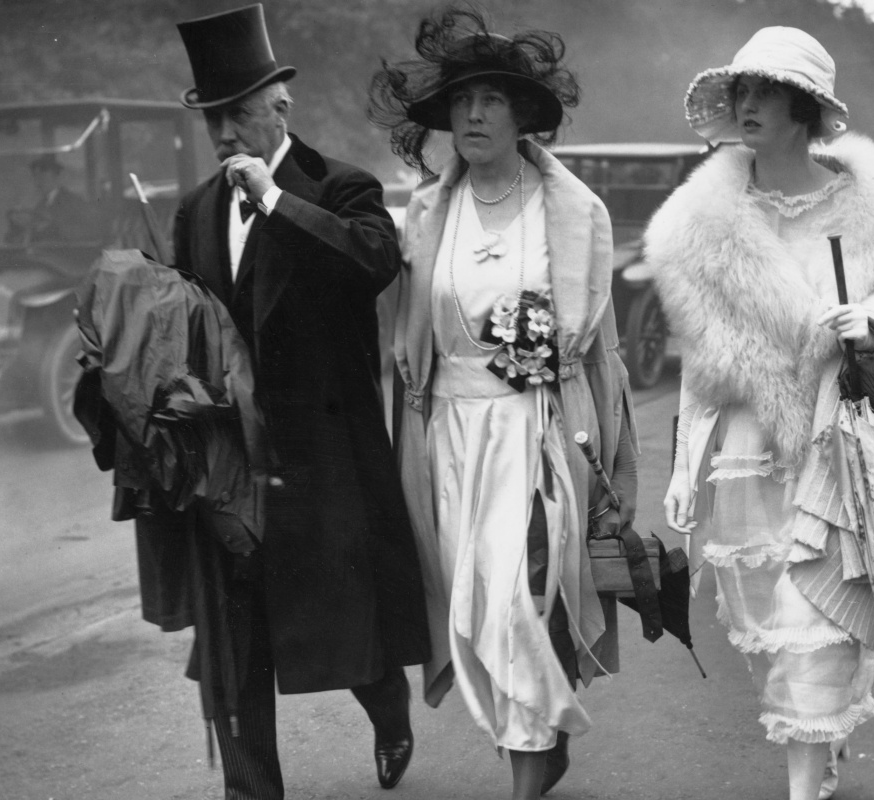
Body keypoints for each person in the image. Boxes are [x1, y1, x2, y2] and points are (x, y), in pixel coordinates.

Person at [648, 27, 874, 800]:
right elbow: (704, 359)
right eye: (742, 93)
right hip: (747, 444)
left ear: (804, 109)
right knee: (771, 621)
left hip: (844, 445)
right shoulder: (697, 226)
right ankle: (816, 743)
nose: (748, 105)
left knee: (818, 619)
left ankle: (803, 778)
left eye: (765, 92)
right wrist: (684, 459)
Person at [370, 8, 637, 800]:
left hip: (534, 430)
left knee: (518, 590)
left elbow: (600, 354)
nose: (475, 114)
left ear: (526, 116)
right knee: (472, 604)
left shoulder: (574, 214)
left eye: (492, 99)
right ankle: (538, 737)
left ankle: (527, 762)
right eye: (462, 100)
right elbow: (405, 332)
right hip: (446, 433)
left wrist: (602, 457)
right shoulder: (426, 212)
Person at [170, 6, 430, 798]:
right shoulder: (194, 211)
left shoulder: (341, 186)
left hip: (322, 457)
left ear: (278, 107)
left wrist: (275, 203)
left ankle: (389, 711)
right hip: (233, 463)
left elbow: (371, 261)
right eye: (212, 116)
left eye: (234, 113)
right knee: (238, 637)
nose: (221, 133)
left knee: (349, 635)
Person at [5, 154, 100, 243]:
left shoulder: (74, 201)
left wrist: (52, 228)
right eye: (35, 176)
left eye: (43, 175)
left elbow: (89, 231)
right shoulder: (40, 205)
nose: (38, 181)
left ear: (57, 176)